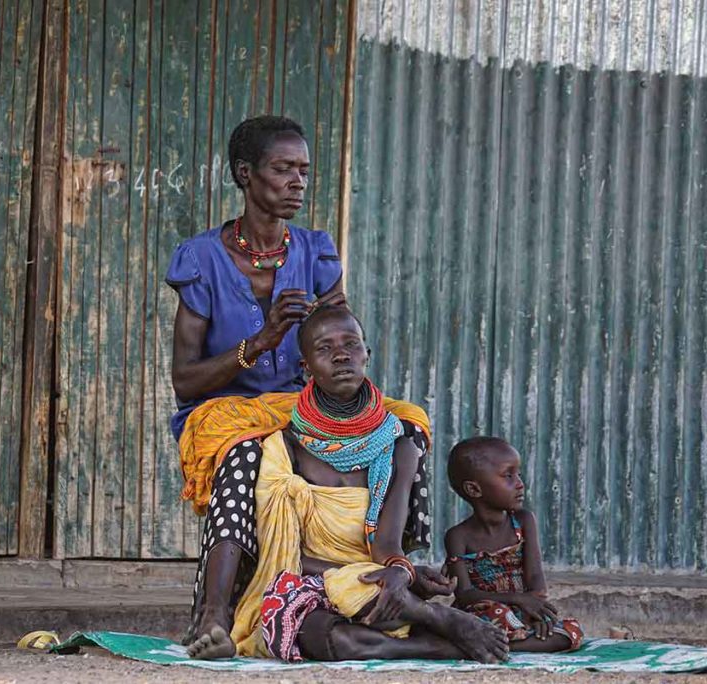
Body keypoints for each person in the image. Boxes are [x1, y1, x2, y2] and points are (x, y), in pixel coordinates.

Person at [167, 116, 432, 659]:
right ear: (245, 175)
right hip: (231, 411)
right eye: (282, 169)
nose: (296, 182)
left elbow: (342, 341)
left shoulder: (315, 251)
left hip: (303, 406)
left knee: (408, 427)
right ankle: (213, 613)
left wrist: (326, 330)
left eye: (303, 171)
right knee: (244, 455)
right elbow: (184, 379)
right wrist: (260, 342)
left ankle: (399, 575)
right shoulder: (202, 259)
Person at [186, 305, 510, 662]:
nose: (341, 355)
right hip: (312, 582)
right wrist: (372, 577)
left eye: (351, 345)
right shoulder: (284, 447)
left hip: (371, 588)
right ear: (306, 368)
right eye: (324, 349)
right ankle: (442, 630)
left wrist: (399, 571)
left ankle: (427, 621)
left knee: (371, 609)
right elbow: (286, 556)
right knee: (328, 639)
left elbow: (386, 544)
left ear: (367, 355)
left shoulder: (399, 445)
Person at [444, 436, 584, 652]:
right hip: (485, 612)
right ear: (474, 490)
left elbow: (536, 579)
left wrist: (535, 607)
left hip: (525, 610)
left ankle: (499, 645)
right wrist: (517, 600)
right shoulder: (458, 536)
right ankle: (503, 642)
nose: (520, 483)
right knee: (496, 616)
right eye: (508, 476)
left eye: (518, 474)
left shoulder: (524, 521)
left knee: (570, 632)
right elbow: (464, 594)